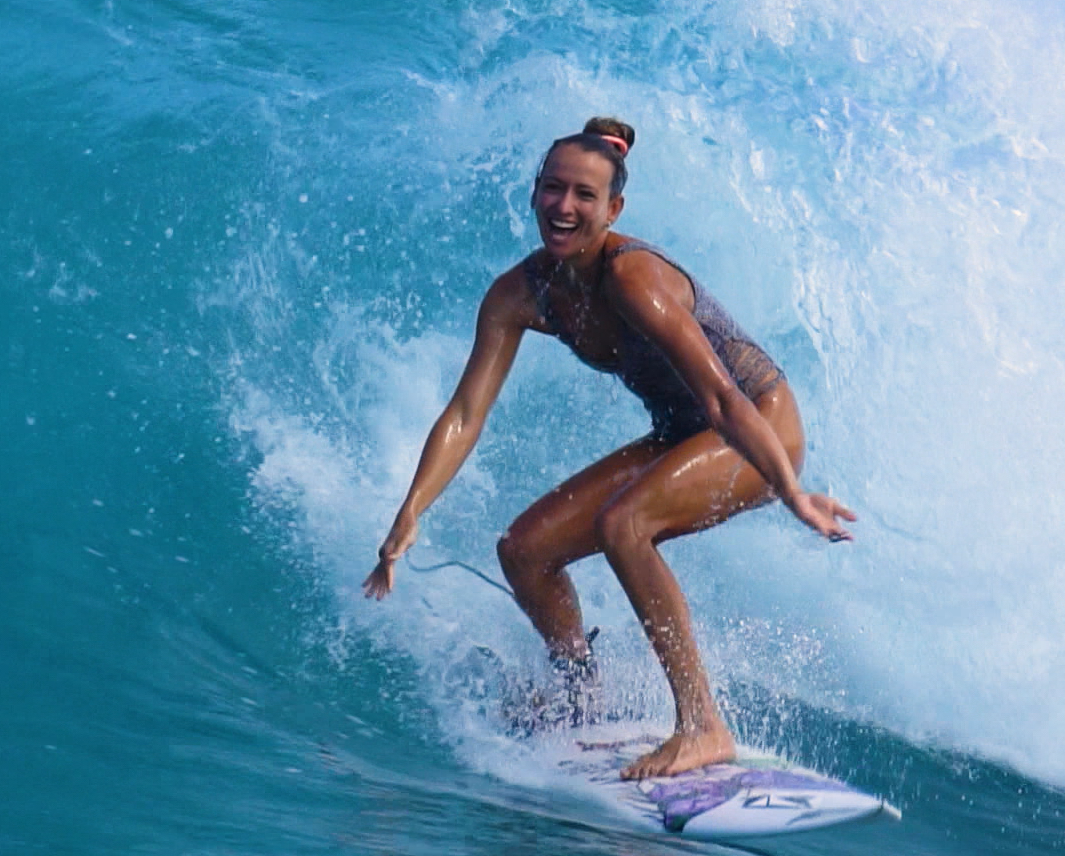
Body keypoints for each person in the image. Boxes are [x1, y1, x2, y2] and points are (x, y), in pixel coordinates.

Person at [362, 117, 855, 780]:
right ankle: (578, 690)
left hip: (758, 424)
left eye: (584, 196)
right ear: (534, 193)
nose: (564, 207)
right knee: (525, 549)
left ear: (613, 209)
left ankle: (704, 726)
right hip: (680, 435)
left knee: (625, 523)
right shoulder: (521, 293)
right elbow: (467, 411)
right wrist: (409, 512)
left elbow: (721, 399)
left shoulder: (635, 279)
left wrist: (790, 492)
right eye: (553, 189)